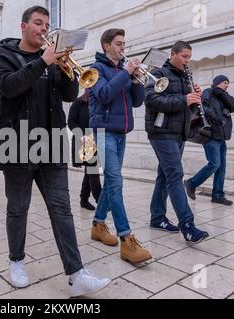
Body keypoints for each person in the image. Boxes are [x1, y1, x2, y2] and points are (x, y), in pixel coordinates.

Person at [0, 5, 111, 297]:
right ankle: (16, 261)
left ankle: (76, 273)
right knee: (18, 208)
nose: (44, 29)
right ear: (23, 26)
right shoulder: (5, 55)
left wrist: (66, 69)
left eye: (46, 24)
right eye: (38, 23)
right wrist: (44, 61)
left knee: (62, 209)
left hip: (52, 141)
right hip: (16, 140)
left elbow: (70, 95)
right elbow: (8, 87)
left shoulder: (53, 58)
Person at [88, 28, 152, 263]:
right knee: (115, 181)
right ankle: (126, 239)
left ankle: (97, 224)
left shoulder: (122, 71)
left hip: (122, 132)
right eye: (118, 43)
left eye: (124, 43)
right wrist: (126, 73)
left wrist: (137, 79)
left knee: (111, 182)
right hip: (103, 131)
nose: (123, 47)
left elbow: (136, 102)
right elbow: (104, 94)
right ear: (106, 46)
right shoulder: (96, 69)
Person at [144, 41, 209, 243]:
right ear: (173, 54)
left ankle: (157, 218)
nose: (187, 61)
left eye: (189, 57)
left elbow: (186, 107)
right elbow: (151, 100)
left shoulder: (183, 77)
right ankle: (188, 226)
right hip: (161, 132)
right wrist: (185, 99)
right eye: (184, 56)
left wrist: (196, 97)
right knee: (175, 175)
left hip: (179, 132)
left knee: (164, 176)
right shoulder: (158, 73)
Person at [184, 75, 234, 206]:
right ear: (217, 83)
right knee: (214, 164)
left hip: (222, 136)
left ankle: (218, 195)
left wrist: (222, 93)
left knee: (221, 168)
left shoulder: (223, 96)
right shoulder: (208, 92)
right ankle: (191, 183)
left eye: (228, 83)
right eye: (225, 83)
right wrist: (216, 119)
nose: (227, 85)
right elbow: (202, 107)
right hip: (211, 135)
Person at [68, 89, 101, 211]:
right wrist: (81, 135)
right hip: (83, 140)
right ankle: (100, 199)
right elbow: (70, 122)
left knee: (90, 170)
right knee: (92, 170)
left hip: (95, 139)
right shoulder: (78, 103)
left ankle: (83, 199)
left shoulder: (98, 103)